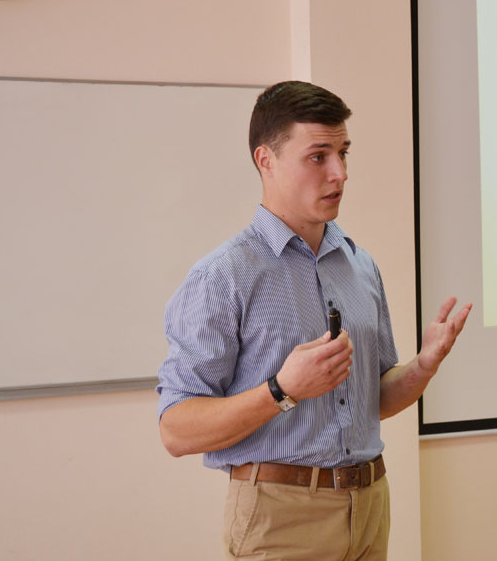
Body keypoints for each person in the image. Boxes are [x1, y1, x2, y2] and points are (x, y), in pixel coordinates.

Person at [156, 80, 471, 561]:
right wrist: (282, 390)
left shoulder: (360, 265)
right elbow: (176, 431)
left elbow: (373, 402)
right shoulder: (223, 276)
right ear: (266, 160)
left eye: (343, 153)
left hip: (369, 507)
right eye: (318, 156)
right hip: (280, 517)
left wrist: (423, 366)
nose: (339, 173)